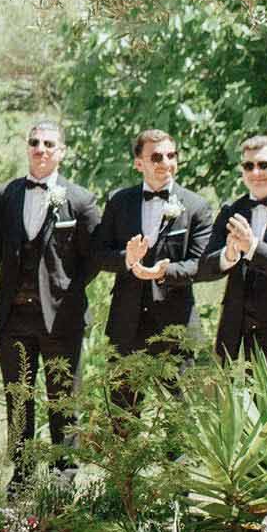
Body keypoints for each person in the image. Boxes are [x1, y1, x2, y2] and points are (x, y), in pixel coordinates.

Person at [0, 120, 100, 482]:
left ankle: (63, 474)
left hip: (61, 318)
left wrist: (62, 289)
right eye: (35, 142)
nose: (41, 149)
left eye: (49, 144)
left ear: (62, 152)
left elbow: (93, 259)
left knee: (62, 400)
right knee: (18, 399)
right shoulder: (6, 195)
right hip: (14, 317)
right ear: (27, 147)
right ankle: (21, 474)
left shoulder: (81, 200)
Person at [93, 129, 215, 363]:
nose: (166, 163)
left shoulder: (196, 206)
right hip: (126, 325)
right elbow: (98, 253)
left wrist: (164, 271)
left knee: (184, 400)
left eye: (172, 155)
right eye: (157, 157)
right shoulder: (118, 201)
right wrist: (127, 259)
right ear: (139, 163)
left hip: (176, 327)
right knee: (123, 400)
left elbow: (201, 264)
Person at [197, 134, 267, 376]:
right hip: (236, 340)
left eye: (264, 164)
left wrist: (253, 247)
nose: (256, 172)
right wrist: (229, 254)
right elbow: (203, 267)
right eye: (248, 166)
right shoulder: (232, 211)